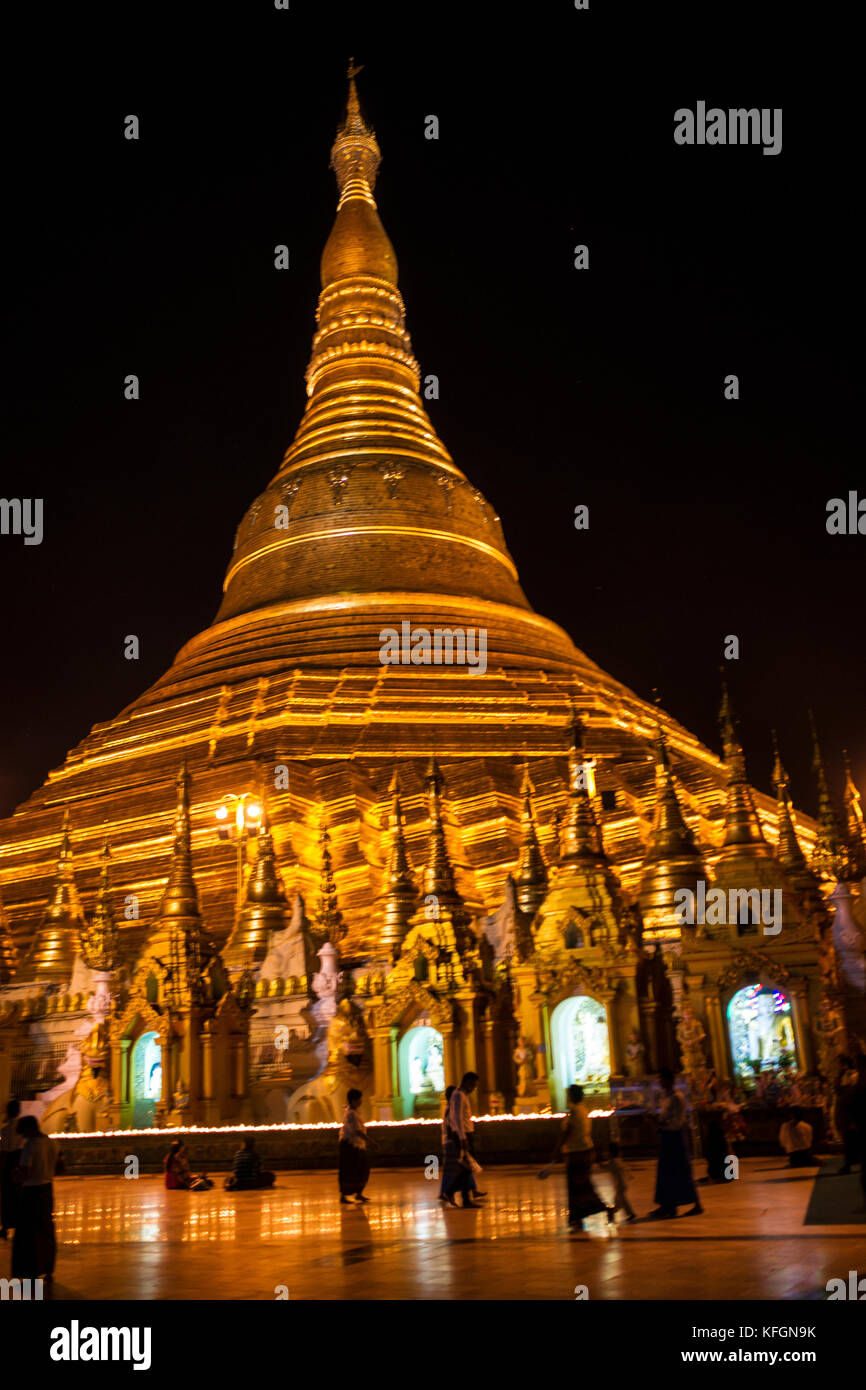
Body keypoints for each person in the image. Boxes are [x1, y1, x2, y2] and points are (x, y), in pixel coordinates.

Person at [544, 1083, 614, 1230]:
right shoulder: (583, 1109)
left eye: (569, 1094)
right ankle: (579, 1216)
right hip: (585, 1151)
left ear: (573, 1096)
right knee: (582, 1186)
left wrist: (557, 1150)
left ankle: (590, 1212)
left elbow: (567, 1132)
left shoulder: (575, 1111)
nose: (568, 1097)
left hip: (577, 1154)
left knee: (578, 1187)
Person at [649, 1068, 703, 1219]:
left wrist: (660, 1124)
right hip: (667, 1137)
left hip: (675, 1138)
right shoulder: (664, 1097)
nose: (660, 1083)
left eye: (662, 1080)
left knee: (682, 1172)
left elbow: (678, 1122)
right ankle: (667, 1205)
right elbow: (665, 1117)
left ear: (669, 1081)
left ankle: (696, 1204)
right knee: (666, 1173)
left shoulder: (677, 1098)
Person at [10, 1114, 57, 1282]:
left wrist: (15, 1175)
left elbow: (25, 1172)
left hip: (31, 1192)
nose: (23, 1136)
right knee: (46, 1228)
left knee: (28, 1232)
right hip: (47, 1189)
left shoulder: (30, 1146)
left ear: (29, 1129)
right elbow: (59, 1166)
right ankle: (48, 1267)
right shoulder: (51, 1142)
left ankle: (32, 1270)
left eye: (23, 1132)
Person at [443, 1072, 482, 1208]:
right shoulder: (459, 1095)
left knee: (466, 1167)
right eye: (473, 1085)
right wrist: (462, 1138)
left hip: (465, 1133)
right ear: (467, 1082)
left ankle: (459, 1196)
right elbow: (457, 1118)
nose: (474, 1088)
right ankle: (453, 1192)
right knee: (466, 1166)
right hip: (463, 1134)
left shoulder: (461, 1095)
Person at [339, 1088, 372, 1204]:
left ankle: (358, 1193)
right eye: (359, 1099)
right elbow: (357, 1131)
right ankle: (344, 1195)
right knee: (350, 1170)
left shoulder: (354, 1111)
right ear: (353, 1100)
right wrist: (370, 1141)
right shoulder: (351, 1113)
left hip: (357, 1145)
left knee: (361, 1169)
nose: (361, 1101)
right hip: (351, 1145)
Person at [0, 1099, 24, 1239]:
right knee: (19, 1194)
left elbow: (4, 1151)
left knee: (7, 1196)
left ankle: (6, 1225)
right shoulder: (22, 1127)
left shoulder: (6, 1129)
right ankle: (21, 1224)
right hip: (21, 1161)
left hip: (9, 1163)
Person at [833, 1055, 859, 1174]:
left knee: (851, 1138)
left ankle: (850, 1163)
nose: (838, 1067)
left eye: (839, 1064)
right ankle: (850, 1162)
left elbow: (850, 1092)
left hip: (850, 1110)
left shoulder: (853, 1075)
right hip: (844, 1110)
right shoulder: (844, 1075)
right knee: (848, 1138)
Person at [605, 1140, 636, 1222]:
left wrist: (600, 1165)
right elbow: (626, 1169)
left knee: (622, 1200)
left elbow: (606, 1168)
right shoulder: (619, 1160)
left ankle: (630, 1213)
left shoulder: (612, 1162)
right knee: (618, 1200)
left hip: (620, 1185)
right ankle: (612, 1212)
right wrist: (630, 1176)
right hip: (623, 1184)